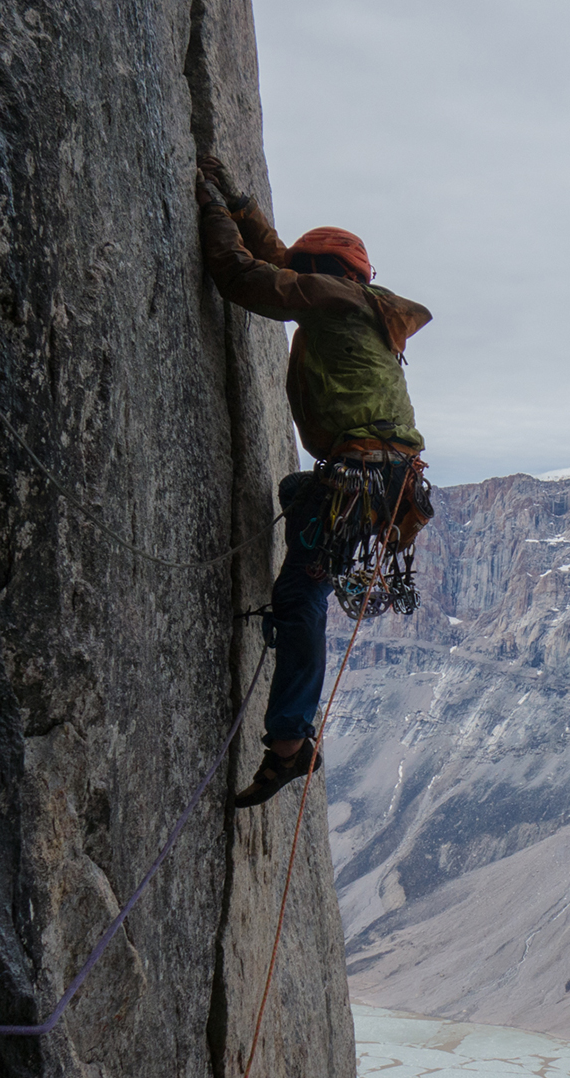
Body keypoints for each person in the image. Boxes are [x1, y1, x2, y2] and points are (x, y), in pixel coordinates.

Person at [193, 156, 432, 808]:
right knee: (296, 499)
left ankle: (290, 744)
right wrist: (239, 202)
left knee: (299, 600)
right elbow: (282, 265)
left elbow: (245, 276)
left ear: (325, 275)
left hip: (357, 483)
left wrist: (211, 209)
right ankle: (294, 727)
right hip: (379, 484)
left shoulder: (331, 300)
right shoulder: (360, 303)